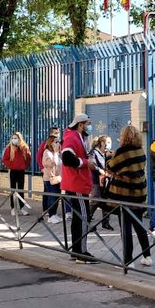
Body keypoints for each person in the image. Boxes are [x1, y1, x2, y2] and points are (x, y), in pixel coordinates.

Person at [107, 124, 152, 267]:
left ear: (124, 137)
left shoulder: (122, 152)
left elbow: (110, 167)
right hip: (139, 193)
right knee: (139, 225)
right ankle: (147, 256)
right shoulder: (140, 151)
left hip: (124, 195)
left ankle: (128, 260)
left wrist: (109, 158)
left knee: (125, 227)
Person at [61, 113, 95, 263]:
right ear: (81, 125)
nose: (89, 126)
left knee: (78, 218)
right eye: (87, 124)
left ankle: (76, 251)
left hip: (77, 183)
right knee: (83, 217)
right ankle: (81, 252)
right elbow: (68, 158)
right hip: (77, 183)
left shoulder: (76, 136)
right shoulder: (72, 137)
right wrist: (85, 163)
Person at [2, 131, 32, 216]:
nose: (14, 139)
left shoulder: (24, 147)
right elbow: (4, 159)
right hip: (13, 171)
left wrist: (24, 166)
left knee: (21, 190)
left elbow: (28, 158)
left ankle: (22, 208)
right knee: (13, 190)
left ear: (19, 139)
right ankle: (13, 208)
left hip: (21, 171)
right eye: (13, 138)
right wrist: (11, 166)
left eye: (16, 138)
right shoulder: (9, 148)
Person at [88, 135, 114, 231]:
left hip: (105, 180)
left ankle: (105, 223)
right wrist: (100, 171)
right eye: (108, 142)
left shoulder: (106, 154)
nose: (109, 145)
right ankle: (87, 221)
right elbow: (92, 165)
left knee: (106, 201)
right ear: (102, 143)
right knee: (95, 201)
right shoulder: (94, 152)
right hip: (96, 180)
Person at [41, 135, 62, 223]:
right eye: (56, 142)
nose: (58, 144)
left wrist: (57, 152)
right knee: (52, 197)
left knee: (57, 196)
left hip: (58, 178)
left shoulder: (56, 152)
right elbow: (52, 163)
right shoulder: (47, 152)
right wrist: (56, 153)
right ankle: (51, 215)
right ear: (51, 143)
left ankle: (54, 213)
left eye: (58, 142)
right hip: (50, 178)